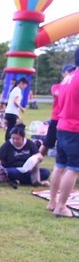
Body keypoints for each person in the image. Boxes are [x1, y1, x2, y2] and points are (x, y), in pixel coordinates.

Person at [47, 48, 79, 218]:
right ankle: (61, 206)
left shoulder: (68, 77)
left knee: (60, 166)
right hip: (75, 128)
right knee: (73, 169)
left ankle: (52, 201)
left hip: (62, 125)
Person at [40, 64, 76, 156]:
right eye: (69, 71)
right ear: (63, 74)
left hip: (68, 119)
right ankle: (35, 160)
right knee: (48, 142)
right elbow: (58, 94)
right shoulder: (57, 86)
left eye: (73, 71)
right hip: (57, 117)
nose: (72, 73)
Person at [4, 77, 29, 141]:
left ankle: (7, 142)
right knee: (11, 129)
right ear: (21, 83)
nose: (25, 87)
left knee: (9, 128)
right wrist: (21, 108)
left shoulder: (15, 89)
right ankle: (9, 142)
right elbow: (15, 102)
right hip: (12, 113)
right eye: (25, 85)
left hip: (10, 112)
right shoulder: (17, 90)